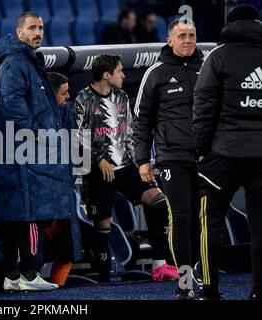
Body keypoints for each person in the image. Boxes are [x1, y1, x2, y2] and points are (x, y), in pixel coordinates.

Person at [75, 54, 178, 283]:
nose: (124, 75)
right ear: (106, 74)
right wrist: (99, 159)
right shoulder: (83, 98)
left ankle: (159, 264)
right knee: (103, 224)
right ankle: (103, 280)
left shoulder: (122, 96)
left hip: (127, 167)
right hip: (98, 170)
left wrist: (142, 163)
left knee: (158, 200)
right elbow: (77, 137)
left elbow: (130, 132)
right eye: (120, 71)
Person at [0, 11, 74, 291]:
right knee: (27, 211)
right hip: (21, 149)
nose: (38, 32)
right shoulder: (16, 62)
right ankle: (27, 275)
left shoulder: (26, 60)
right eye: (32, 28)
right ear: (19, 32)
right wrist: (35, 136)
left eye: (40, 27)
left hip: (15, 147)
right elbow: (12, 102)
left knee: (15, 212)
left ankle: (14, 277)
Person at [192, 4, 262, 300]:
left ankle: (209, 291)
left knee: (210, 222)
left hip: (223, 153)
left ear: (230, 24)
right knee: (261, 227)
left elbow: (203, 107)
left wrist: (200, 149)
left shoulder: (217, 56)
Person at [132, 18, 204, 299]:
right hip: (172, 158)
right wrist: (142, 160)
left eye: (192, 35)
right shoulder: (156, 73)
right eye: (182, 35)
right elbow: (142, 121)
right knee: (181, 218)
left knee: (206, 219)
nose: (188, 40)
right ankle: (185, 282)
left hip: (207, 158)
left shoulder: (209, 67)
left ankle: (203, 272)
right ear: (169, 40)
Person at [43, 72, 83, 286]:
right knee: (37, 248)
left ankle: (58, 289)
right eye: (64, 93)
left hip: (64, 191)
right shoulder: (35, 117)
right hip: (43, 194)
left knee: (67, 250)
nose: (68, 96)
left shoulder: (69, 112)